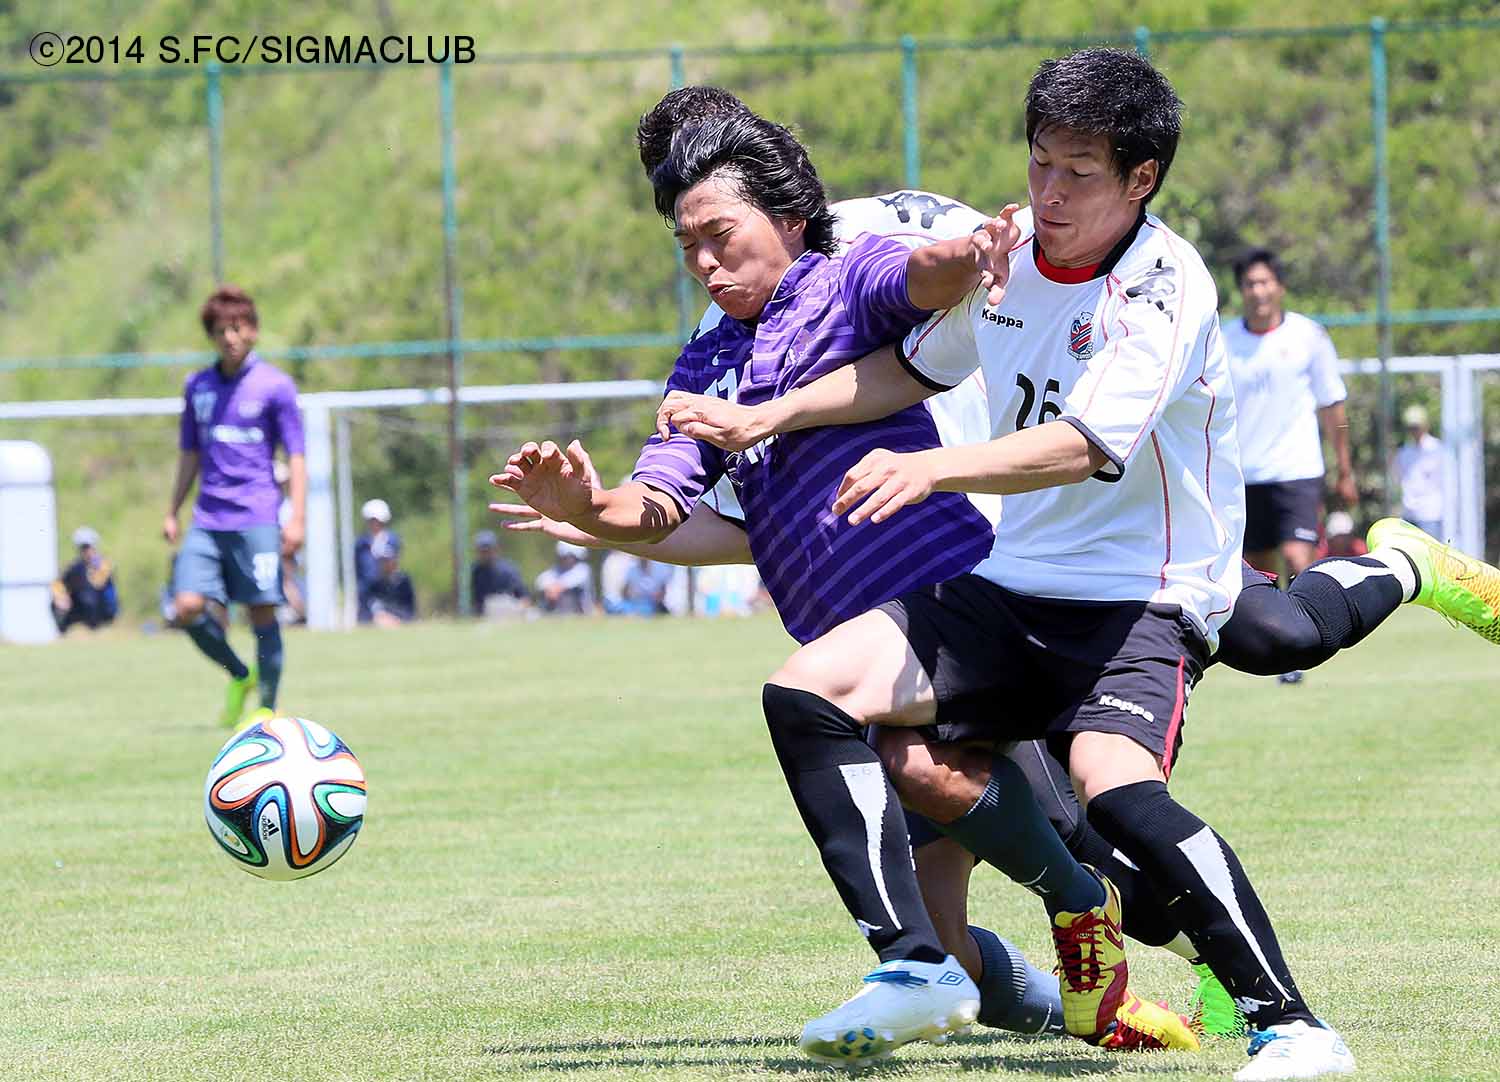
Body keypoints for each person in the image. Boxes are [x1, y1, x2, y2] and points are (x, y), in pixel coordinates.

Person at [646, 51, 1368, 1081]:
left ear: (1141, 178)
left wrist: (929, 467)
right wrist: (775, 411)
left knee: (1125, 797)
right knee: (809, 691)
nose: (1049, 193)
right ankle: (915, 966)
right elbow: (909, 365)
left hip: (1144, 594)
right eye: (1039, 164)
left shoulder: (1166, 284)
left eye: (1078, 172)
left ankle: (1291, 1024)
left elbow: (1083, 441)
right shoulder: (1012, 250)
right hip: (1012, 582)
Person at [492, 105, 1202, 1061]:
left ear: (786, 215)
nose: (705, 261)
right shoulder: (708, 360)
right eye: (686, 244)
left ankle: (1169, 956)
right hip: (860, 671)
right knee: (955, 933)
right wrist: (587, 507)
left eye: (721, 235)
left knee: (1110, 853)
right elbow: (658, 508)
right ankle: (1078, 1005)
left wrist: (974, 254)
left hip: (949, 629)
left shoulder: (843, 278)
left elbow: (923, 278)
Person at [164, 285, 304, 728]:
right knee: (185, 607)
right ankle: (240, 674)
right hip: (207, 518)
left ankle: (268, 705)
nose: (229, 336)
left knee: (261, 610)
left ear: (254, 332)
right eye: (221, 329)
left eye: (238, 327)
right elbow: (190, 453)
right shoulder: (197, 386)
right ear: (211, 335)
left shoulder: (275, 386)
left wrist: (296, 517)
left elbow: (296, 455)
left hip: (257, 516)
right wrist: (173, 509)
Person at [1223, 248, 1356, 578]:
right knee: (1257, 577)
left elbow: (1332, 403)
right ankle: (1276, 631)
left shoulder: (1308, 336)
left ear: (1280, 287)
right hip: (1244, 475)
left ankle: (1314, 630)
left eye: (1265, 282)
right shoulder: (1224, 341)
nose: (1258, 291)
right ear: (1241, 290)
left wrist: (1344, 469)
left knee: (1299, 562)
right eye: (1250, 284)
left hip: (1297, 471)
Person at [51, 527, 118, 633]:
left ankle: (95, 632)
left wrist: (90, 570)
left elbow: (97, 583)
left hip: (102, 610)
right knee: (56, 603)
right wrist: (61, 596)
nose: (85, 551)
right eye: (82, 548)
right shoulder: (76, 567)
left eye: (87, 547)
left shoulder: (103, 564)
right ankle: (65, 634)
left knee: (88, 597)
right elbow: (58, 584)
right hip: (81, 608)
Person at [1392, 405, 1444, 537]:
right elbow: (1398, 478)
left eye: (1416, 427)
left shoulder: (1438, 449)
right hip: (1409, 513)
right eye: (1411, 427)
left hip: (1431, 514)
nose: (1414, 431)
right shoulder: (1404, 452)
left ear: (1425, 425)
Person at [355, 498, 399, 623]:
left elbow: (393, 565)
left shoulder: (391, 540)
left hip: (386, 590)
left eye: (378, 520)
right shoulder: (361, 543)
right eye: (372, 520)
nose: (375, 524)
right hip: (365, 591)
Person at [470, 529, 528, 617]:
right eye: (482, 551)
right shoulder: (475, 571)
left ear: (496, 549)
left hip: (510, 612)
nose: (485, 554)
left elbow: (524, 598)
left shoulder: (508, 570)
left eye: (488, 550)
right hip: (485, 614)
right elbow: (475, 602)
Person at [366, 533, 416, 626]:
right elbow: (368, 612)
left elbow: (410, 612)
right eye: (381, 560)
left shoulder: (404, 582)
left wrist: (393, 619)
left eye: (386, 560)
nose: (383, 564)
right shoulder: (374, 585)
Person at [534, 541, 594, 614]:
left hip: (580, 611)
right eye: (565, 557)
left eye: (570, 556)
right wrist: (549, 589)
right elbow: (540, 581)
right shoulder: (556, 570)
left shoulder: (583, 569)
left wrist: (555, 589)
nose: (568, 560)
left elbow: (568, 583)